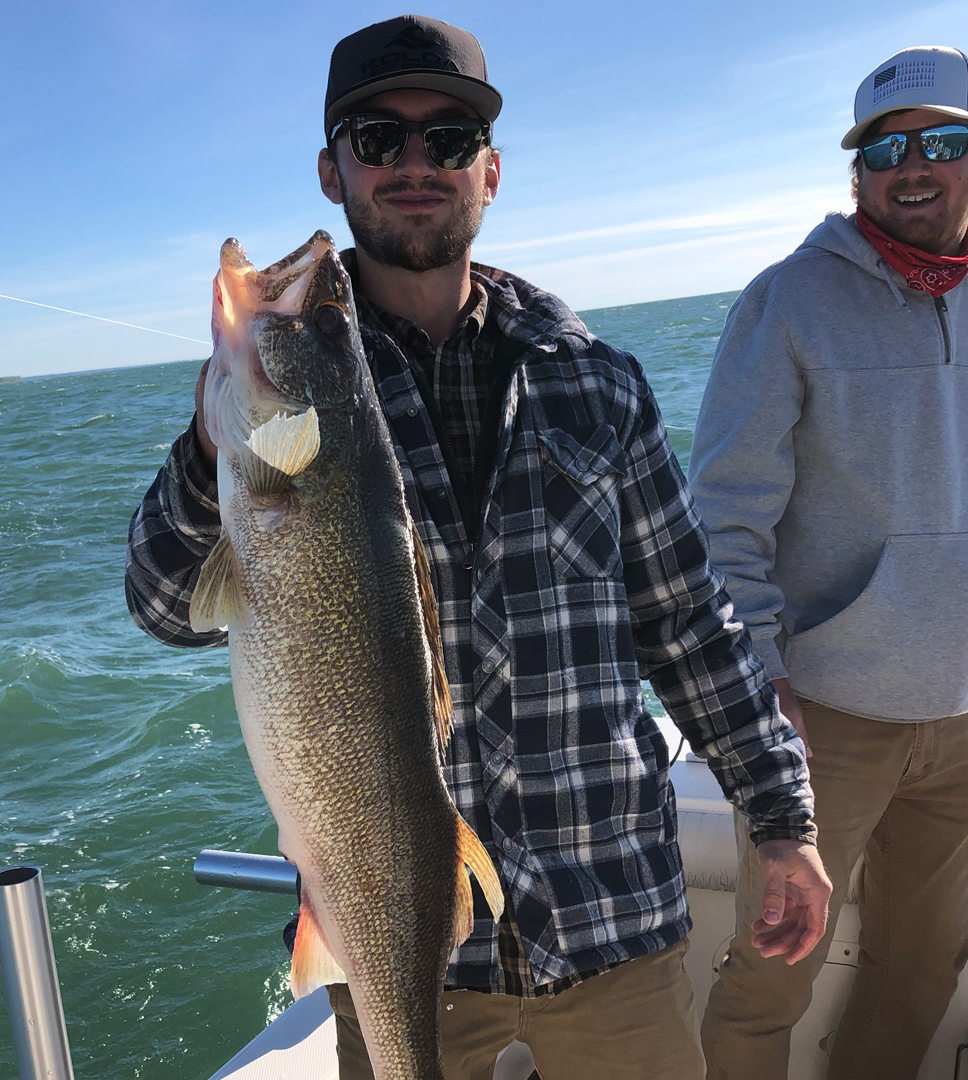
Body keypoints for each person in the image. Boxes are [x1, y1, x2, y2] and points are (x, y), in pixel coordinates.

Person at [126, 14, 830, 1078]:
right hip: (395, 942)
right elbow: (164, 606)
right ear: (333, 169)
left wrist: (781, 814)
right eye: (378, 138)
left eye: (449, 140)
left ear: (489, 173)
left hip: (615, 922)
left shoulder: (601, 383)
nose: (416, 164)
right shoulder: (279, 413)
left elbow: (689, 621)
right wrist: (213, 443)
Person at [690, 44, 968, 1080]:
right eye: (885, 147)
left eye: (942, 140)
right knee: (772, 975)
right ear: (856, 171)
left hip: (963, 717)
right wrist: (761, 686)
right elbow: (724, 514)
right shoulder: (785, 302)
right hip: (829, 716)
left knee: (922, 965)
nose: (913, 164)